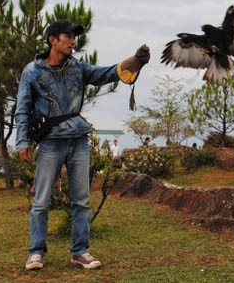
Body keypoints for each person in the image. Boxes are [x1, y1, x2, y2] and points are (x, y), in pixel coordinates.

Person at [15, 19, 150, 270]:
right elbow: (22, 109)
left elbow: (104, 74)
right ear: (52, 40)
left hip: (78, 140)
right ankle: (36, 253)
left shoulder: (78, 68)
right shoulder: (32, 72)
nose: (73, 41)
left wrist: (133, 61)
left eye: (74, 37)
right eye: (68, 36)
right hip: (50, 143)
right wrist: (22, 141)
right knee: (41, 200)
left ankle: (80, 251)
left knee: (81, 200)